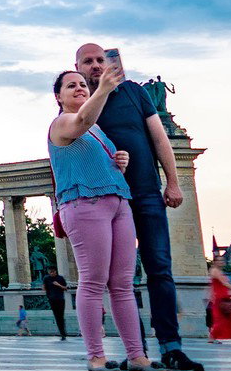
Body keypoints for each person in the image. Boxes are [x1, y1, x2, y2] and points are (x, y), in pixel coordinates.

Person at [75, 44, 203, 371]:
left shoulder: (133, 92)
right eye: (87, 62)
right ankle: (138, 351)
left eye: (99, 60)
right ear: (77, 66)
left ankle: (171, 346)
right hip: (108, 199)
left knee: (159, 268)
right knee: (120, 278)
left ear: (110, 64)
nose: (94, 66)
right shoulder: (82, 104)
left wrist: (172, 181)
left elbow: (159, 136)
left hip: (146, 192)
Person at [49, 67, 154, 370]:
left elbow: (91, 144)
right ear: (59, 96)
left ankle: (136, 355)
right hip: (85, 204)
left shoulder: (98, 131)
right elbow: (82, 121)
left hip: (118, 203)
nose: (80, 88)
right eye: (71, 86)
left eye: (83, 84)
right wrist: (103, 89)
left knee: (122, 284)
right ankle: (96, 356)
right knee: (93, 281)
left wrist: (119, 161)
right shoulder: (62, 122)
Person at [207, 256, 231, 343]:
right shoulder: (215, 271)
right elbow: (224, 283)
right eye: (219, 260)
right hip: (221, 298)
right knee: (226, 319)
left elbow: (213, 286)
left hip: (222, 298)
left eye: (222, 260)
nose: (221, 262)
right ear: (215, 262)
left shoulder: (216, 271)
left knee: (224, 319)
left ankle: (213, 338)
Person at [42, 266, 70, 340]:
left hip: (60, 299)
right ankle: (62, 333)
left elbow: (66, 288)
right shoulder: (46, 278)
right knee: (57, 316)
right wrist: (45, 288)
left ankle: (63, 332)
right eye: (50, 272)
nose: (52, 273)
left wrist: (58, 285)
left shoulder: (60, 278)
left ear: (55, 271)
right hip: (52, 299)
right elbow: (44, 288)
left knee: (61, 316)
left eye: (53, 272)